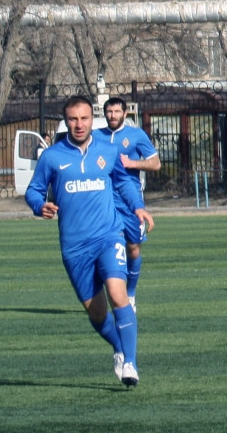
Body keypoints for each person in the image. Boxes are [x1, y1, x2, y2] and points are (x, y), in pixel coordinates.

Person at [25, 96, 154, 386]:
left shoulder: (107, 152)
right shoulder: (52, 157)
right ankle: (119, 348)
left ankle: (131, 363)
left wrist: (138, 207)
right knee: (96, 313)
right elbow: (33, 190)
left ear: (90, 119)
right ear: (66, 121)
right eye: (73, 119)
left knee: (118, 295)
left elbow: (123, 182)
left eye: (84, 118)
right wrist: (38, 205)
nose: (79, 124)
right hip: (74, 247)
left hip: (109, 236)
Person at [94, 97, 160, 312]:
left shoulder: (136, 135)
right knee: (108, 245)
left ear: (125, 113)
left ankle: (130, 293)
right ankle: (112, 294)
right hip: (104, 198)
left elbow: (155, 163)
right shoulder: (96, 137)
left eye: (116, 111)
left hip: (130, 197)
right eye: (109, 112)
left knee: (132, 248)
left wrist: (132, 163)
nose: (112, 115)